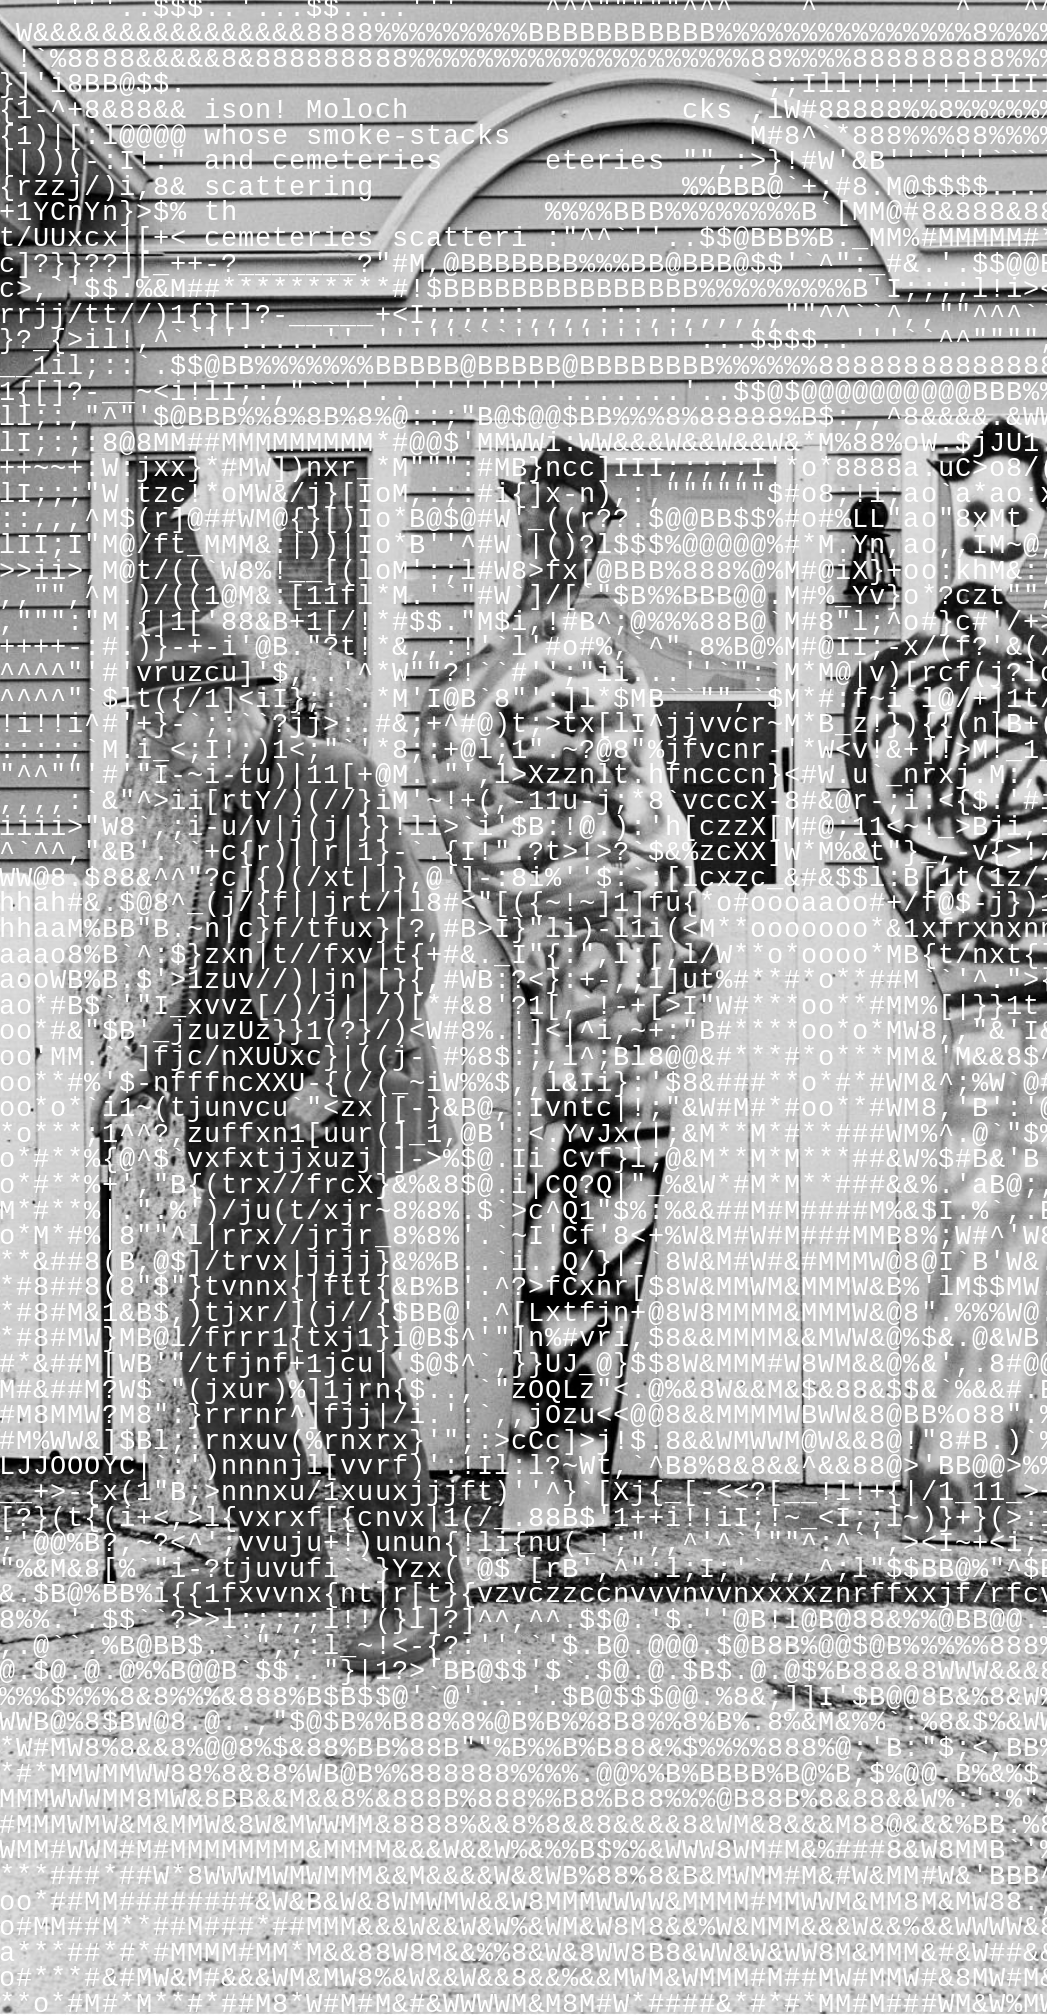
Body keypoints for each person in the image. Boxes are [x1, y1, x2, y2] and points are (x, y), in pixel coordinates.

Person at [93, 555, 466, 1675]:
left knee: (343, 1355)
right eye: (161, 727)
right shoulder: (232, 804)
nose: (170, 745)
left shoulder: (332, 782)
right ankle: (279, 1553)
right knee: (223, 1345)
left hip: (315, 1123)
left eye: (178, 723)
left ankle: (423, 1577)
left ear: (234, 703)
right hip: (238, 1124)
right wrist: (148, 1062)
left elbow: (406, 945)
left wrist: (334, 1080)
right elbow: (222, 969)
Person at [845, 417, 1047, 1546]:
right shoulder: (904, 671)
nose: (998, 531)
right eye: (979, 509)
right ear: (949, 513)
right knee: (975, 1215)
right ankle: (942, 1460)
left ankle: (991, 1468)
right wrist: (970, 912)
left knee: (1035, 1228)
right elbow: (900, 821)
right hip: (984, 975)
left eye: (1018, 513)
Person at [417, 439, 718, 1538]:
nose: (565, 531)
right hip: (582, 974)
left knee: (615, 1218)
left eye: (583, 514)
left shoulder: (611, 662)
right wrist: (564, 919)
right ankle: (547, 1474)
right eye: (546, 510)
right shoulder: (484, 681)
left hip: (650, 970)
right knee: (570, 1218)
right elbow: (479, 831)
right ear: (521, 518)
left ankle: (572, 1468)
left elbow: (654, 812)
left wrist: (678, 916)